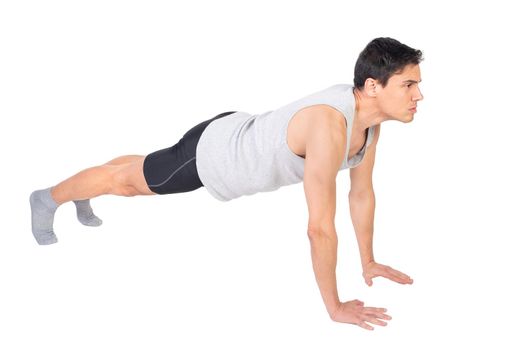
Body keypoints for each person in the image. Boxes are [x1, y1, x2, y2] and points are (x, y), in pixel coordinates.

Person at [29, 37, 424, 330]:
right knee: (127, 183)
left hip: (236, 131)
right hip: (214, 157)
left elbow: (361, 194)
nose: (418, 95)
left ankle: (84, 192)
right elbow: (319, 229)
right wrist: (335, 307)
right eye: (408, 85)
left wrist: (368, 260)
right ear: (373, 86)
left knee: (139, 169)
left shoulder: (368, 125)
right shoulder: (330, 126)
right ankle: (47, 199)